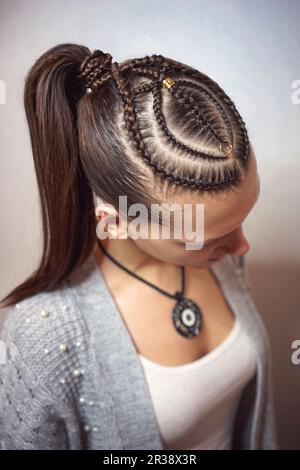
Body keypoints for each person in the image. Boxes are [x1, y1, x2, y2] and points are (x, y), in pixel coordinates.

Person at [0, 43, 278, 450]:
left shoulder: (221, 263)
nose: (242, 248)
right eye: (208, 237)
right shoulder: (43, 338)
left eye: (239, 222)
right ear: (115, 223)